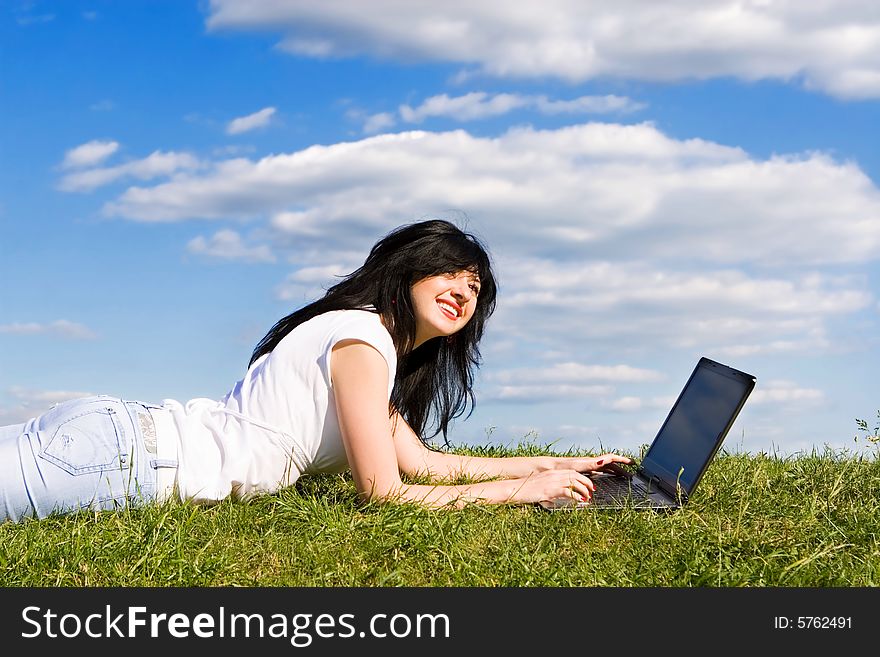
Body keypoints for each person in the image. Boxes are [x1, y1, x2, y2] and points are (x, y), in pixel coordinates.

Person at [0, 219, 631, 522]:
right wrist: (514, 493)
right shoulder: (363, 341)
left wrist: (560, 468)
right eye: (448, 274)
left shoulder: (371, 351)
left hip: (114, 444)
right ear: (408, 274)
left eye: (475, 288)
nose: (462, 293)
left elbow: (429, 466)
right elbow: (384, 494)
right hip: (125, 460)